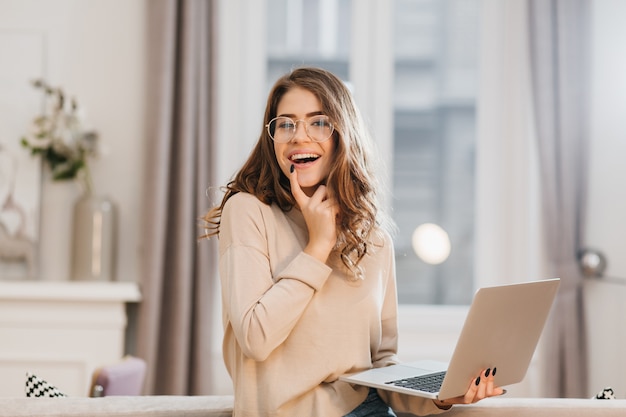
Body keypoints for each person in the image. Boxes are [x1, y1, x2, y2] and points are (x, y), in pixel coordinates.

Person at [202, 67, 503, 417]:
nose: (299, 136)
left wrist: (444, 396)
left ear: (342, 136)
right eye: (285, 124)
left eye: (318, 122)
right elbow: (255, 338)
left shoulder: (373, 239)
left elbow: (382, 365)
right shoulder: (249, 211)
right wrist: (318, 246)